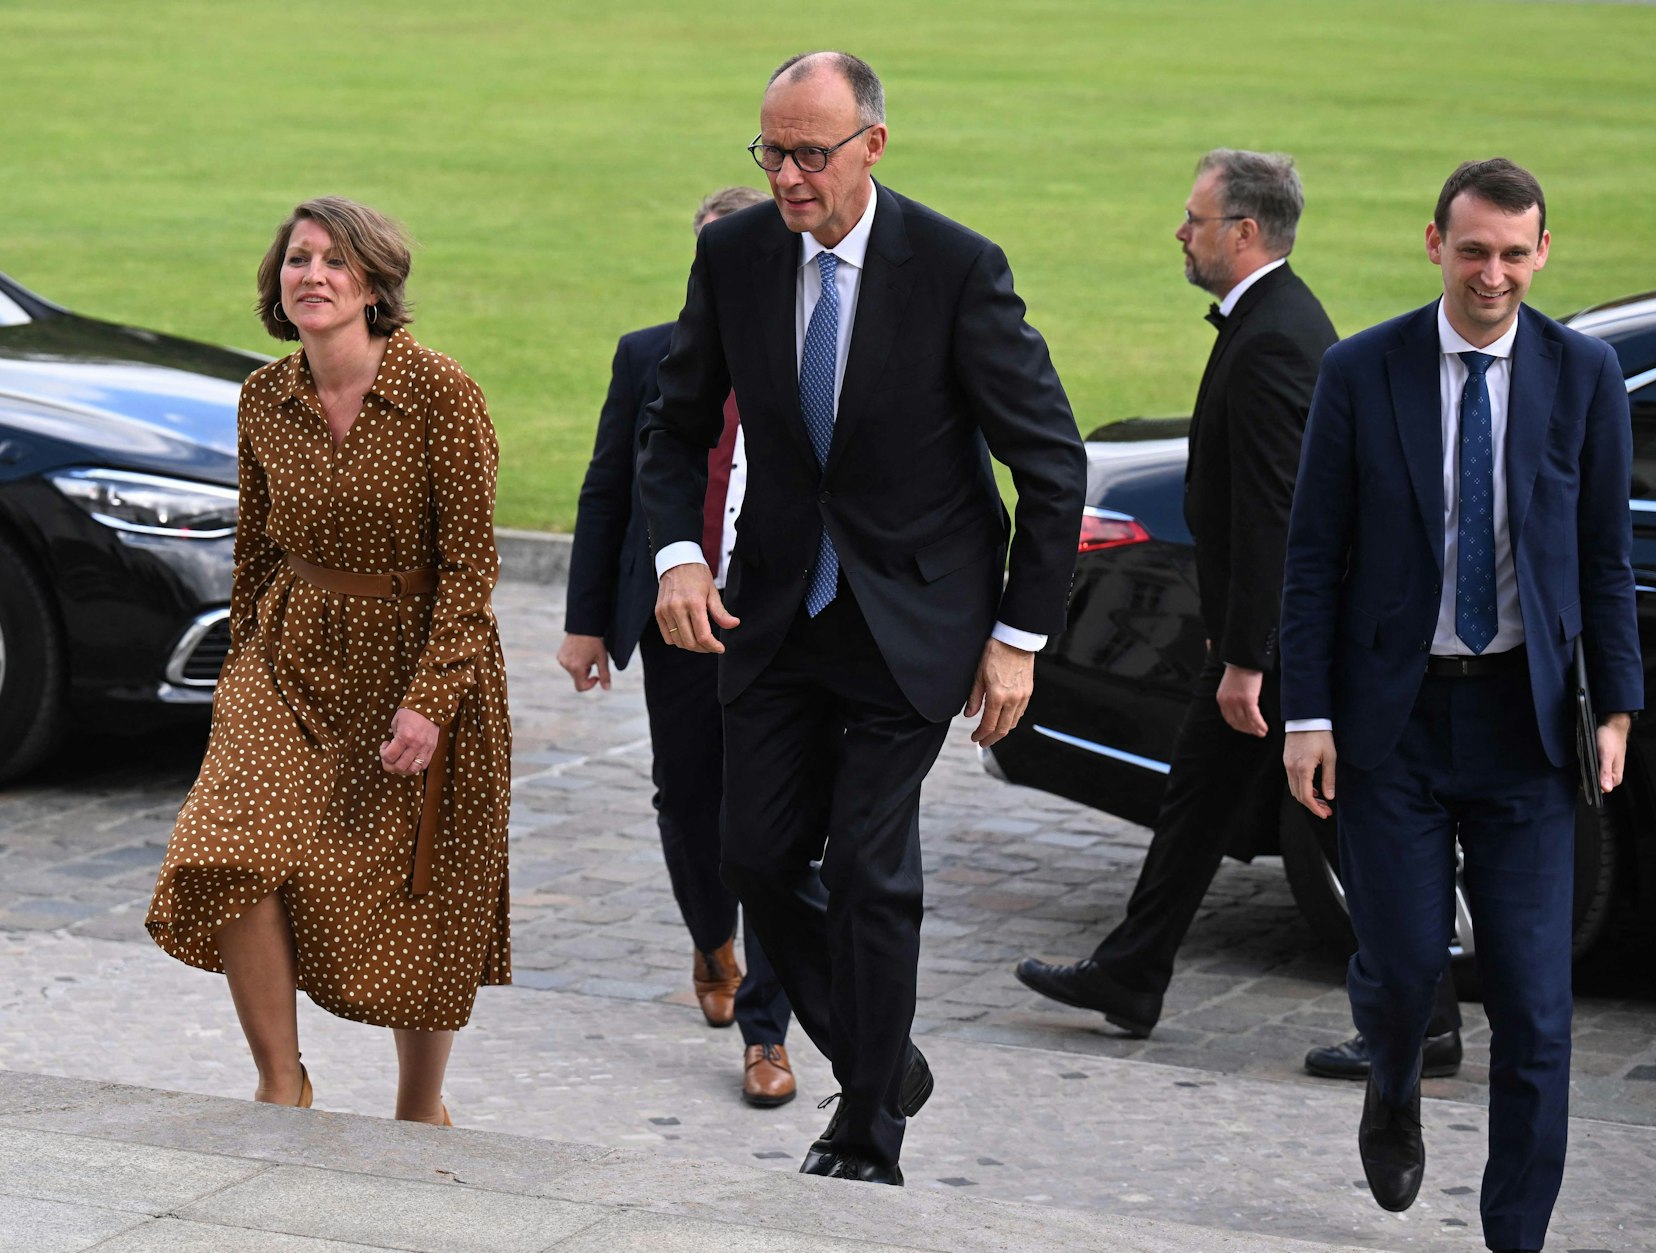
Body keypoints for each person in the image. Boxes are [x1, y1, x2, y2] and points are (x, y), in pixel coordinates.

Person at [637, 51, 1085, 1185]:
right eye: (769, 151)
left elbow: (1049, 462)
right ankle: (880, 1054)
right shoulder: (731, 255)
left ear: (870, 146)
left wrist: (1015, 640)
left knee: (873, 867)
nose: (786, 176)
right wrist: (680, 554)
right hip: (776, 613)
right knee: (752, 851)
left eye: (808, 153)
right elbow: (673, 423)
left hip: (912, 623)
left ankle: (865, 1126)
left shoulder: (954, 268)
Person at [1011, 150, 1465, 1076]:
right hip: (1262, 639)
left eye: (1195, 219)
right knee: (1197, 800)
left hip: (1287, 648)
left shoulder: (1272, 340)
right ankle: (1132, 974)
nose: (1182, 232)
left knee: (1348, 827)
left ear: (1244, 232)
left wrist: (1251, 659)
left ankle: (1428, 1021)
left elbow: (1276, 513)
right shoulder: (1270, 322)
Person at [1281, 159, 1640, 1251]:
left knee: (1534, 1009)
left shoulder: (1578, 377)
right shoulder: (1360, 370)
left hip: (1521, 736)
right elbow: (1310, 558)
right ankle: (1390, 1081)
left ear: (1541, 253)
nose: (1492, 273)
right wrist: (1306, 714)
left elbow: (1601, 558)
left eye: (1513, 253)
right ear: (1432, 243)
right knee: (1398, 976)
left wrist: (1615, 706)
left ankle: (1511, 1233)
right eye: (1472, 249)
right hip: (1387, 729)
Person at [147, 197, 511, 1126]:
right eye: (297, 259)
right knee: (225, 843)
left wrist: (431, 700)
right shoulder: (263, 398)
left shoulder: (442, 392)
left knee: (415, 888)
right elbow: (255, 550)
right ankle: (282, 1080)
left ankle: (420, 1107)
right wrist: (241, 666)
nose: (311, 274)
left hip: (420, 650)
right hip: (291, 650)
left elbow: (471, 567)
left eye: (334, 261)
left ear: (374, 284)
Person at [559, 184, 812, 1108]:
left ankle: (766, 1032)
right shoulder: (648, 357)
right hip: (675, 621)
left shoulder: (817, 360)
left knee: (781, 826)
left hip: (787, 627)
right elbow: (607, 491)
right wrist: (587, 621)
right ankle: (712, 937)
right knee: (691, 797)